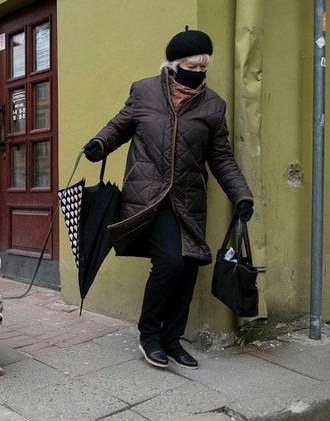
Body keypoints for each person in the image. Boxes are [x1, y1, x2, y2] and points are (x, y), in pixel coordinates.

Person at [82, 27, 254, 370]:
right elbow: (120, 126)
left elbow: (220, 158)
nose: (199, 73)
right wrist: (99, 144)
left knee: (188, 268)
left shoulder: (213, 106)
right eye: (193, 66)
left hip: (188, 199)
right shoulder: (145, 91)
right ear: (173, 64)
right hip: (149, 196)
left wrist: (241, 195)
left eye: (204, 67)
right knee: (171, 262)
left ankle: (173, 340)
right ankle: (150, 335)